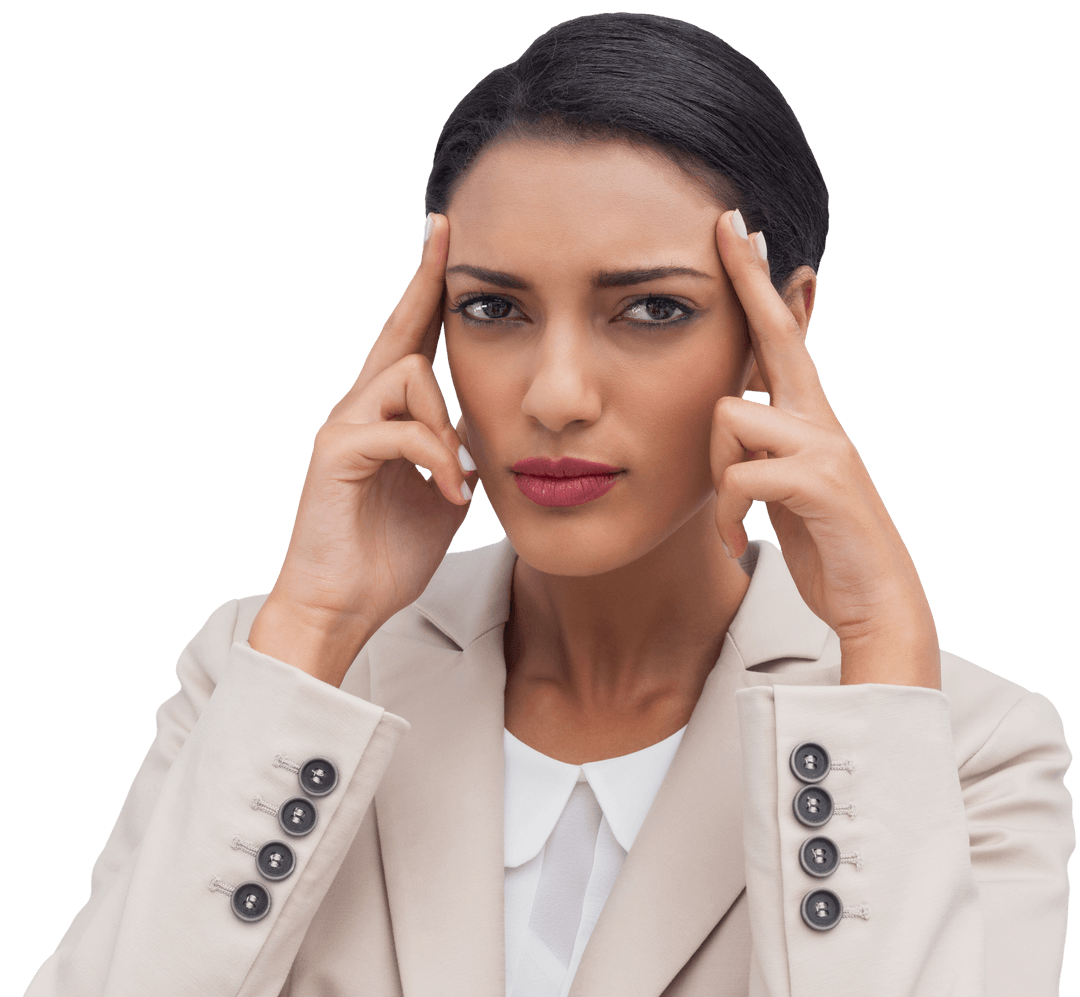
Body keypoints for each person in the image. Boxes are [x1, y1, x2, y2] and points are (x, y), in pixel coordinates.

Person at [24, 12, 1073, 997]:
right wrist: (313, 625)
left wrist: (883, 651)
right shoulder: (265, 675)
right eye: (493, 308)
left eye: (652, 309)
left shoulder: (973, 746)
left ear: (776, 329)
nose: (556, 396)